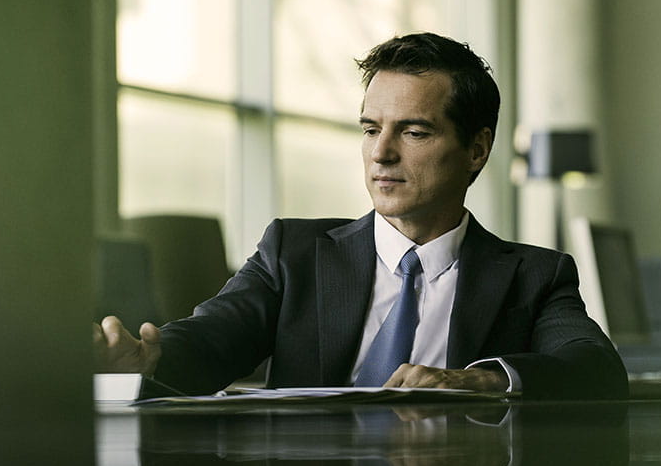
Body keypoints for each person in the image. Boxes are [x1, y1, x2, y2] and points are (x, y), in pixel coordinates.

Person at [94, 32, 627, 400]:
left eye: (413, 132)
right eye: (371, 129)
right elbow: (211, 337)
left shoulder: (534, 276)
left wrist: (481, 382)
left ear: (477, 150)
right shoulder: (293, 253)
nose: (381, 153)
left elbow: (595, 369)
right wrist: (150, 360)